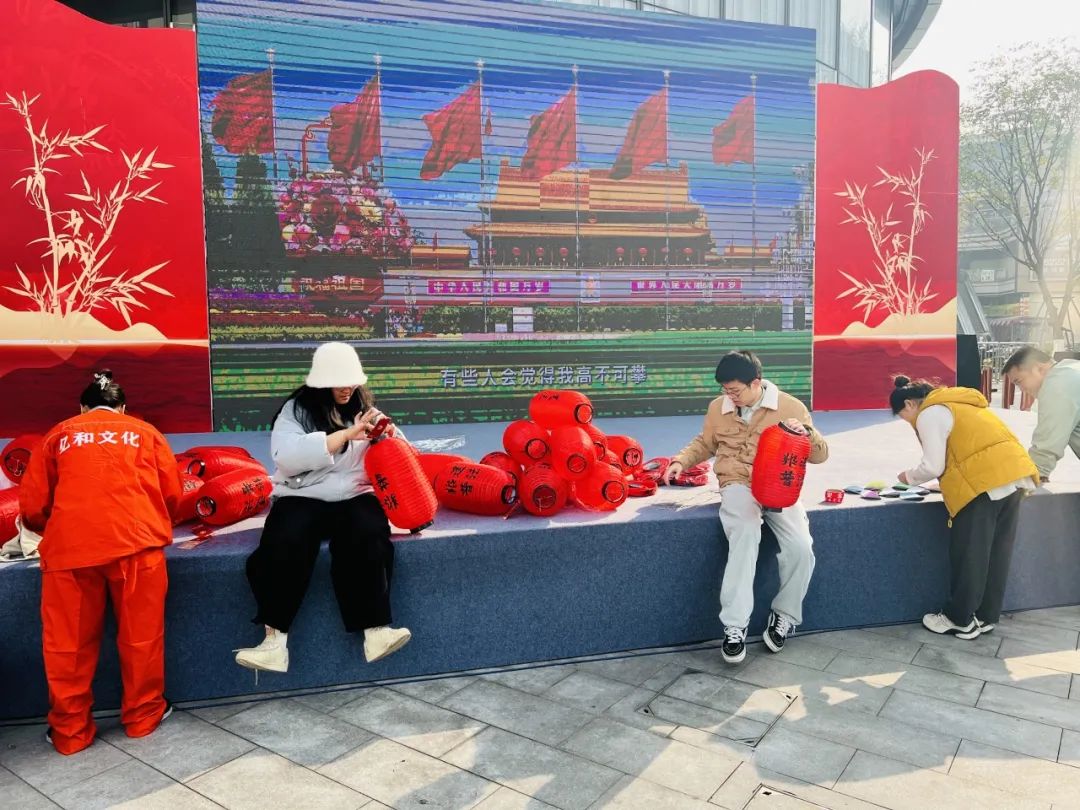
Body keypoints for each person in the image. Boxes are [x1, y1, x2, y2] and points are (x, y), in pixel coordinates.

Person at [19, 370, 182, 755]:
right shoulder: (145, 433)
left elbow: (33, 506)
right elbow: (172, 495)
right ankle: (143, 716)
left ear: (82, 408)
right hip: (137, 546)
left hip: (71, 552)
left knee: (67, 646)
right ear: (123, 408)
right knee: (142, 638)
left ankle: (70, 732)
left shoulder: (58, 435)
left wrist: (59, 528)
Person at [234, 342, 412, 673]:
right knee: (284, 539)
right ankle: (274, 642)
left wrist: (386, 435)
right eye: (339, 381)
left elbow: (402, 454)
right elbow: (286, 457)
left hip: (354, 494)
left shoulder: (365, 409)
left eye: (352, 381)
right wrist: (345, 435)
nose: (347, 388)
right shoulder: (296, 411)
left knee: (369, 533)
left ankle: (376, 631)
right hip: (303, 494)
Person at [665, 351, 829, 664]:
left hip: (779, 487)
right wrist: (680, 461)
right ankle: (734, 626)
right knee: (745, 533)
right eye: (725, 390)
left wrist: (807, 433)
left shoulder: (791, 407)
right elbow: (705, 443)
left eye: (735, 390)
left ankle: (785, 616)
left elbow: (820, 455)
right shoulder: (718, 407)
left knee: (801, 547)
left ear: (756, 383)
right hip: (737, 484)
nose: (730, 396)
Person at [891, 376, 1038, 639]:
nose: (908, 422)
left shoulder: (929, 412)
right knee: (997, 553)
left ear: (909, 404)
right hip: (1015, 477)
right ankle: (986, 616)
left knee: (969, 554)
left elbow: (932, 466)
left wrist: (908, 477)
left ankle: (958, 618)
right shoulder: (961, 403)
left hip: (984, 485)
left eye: (903, 416)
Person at [1003, 346, 1080, 481]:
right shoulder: (1072, 370)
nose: (1022, 389)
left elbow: (1048, 440)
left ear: (1039, 368)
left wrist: (1031, 476)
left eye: (1019, 382)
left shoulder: (1057, 384)